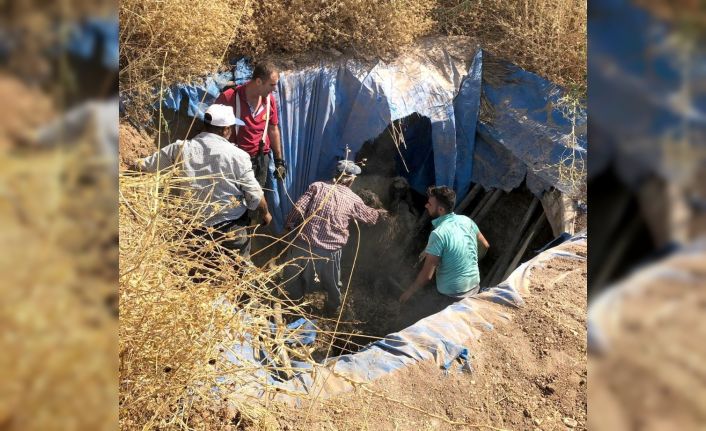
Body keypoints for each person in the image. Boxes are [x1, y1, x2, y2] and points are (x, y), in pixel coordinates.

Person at [135, 104, 272, 259]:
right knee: (236, 275)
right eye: (232, 128)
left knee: (196, 277)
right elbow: (254, 194)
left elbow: (146, 166)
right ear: (225, 130)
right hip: (229, 230)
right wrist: (265, 213)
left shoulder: (180, 148)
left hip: (193, 230)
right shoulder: (238, 156)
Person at [282, 160, 387, 315]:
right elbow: (371, 218)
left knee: (291, 275)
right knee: (332, 283)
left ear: (335, 175)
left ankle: (293, 303)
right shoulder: (353, 199)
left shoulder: (317, 187)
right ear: (351, 180)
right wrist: (381, 213)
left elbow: (298, 208)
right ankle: (332, 308)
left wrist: (289, 226)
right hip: (329, 252)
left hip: (303, 243)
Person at [399, 186, 489, 303]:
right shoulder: (467, 221)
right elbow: (485, 245)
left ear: (441, 209)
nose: (426, 206)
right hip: (474, 287)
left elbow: (427, 276)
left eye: (430, 204)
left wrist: (408, 293)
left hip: (453, 296)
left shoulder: (438, 234)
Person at [215, 61, 286, 187]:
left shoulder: (270, 101)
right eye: (272, 85)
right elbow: (212, 128)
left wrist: (279, 161)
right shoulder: (230, 97)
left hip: (259, 160)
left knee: (255, 200)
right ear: (258, 82)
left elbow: (273, 129)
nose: (275, 89)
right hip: (234, 159)